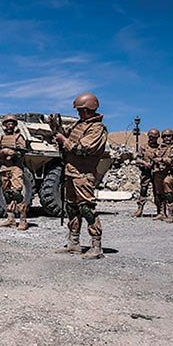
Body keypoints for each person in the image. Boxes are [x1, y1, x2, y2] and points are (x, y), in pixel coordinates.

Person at [54, 92, 108, 259]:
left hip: (83, 174)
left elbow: (83, 149)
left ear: (89, 109)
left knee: (86, 208)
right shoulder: (79, 125)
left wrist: (64, 140)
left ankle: (96, 246)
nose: (79, 113)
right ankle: (74, 242)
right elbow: (67, 135)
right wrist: (56, 128)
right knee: (72, 207)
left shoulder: (97, 129)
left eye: (81, 110)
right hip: (71, 172)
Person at [0, 114, 28, 230]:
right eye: (7, 123)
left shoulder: (19, 137)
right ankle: (11, 219)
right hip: (4, 167)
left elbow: (22, 153)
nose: (10, 125)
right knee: (7, 193)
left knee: (17, 193)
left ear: (15, 125)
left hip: (15, 168)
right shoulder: (1, 138)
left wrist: (12, 153)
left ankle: (23, 220)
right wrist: (1, 153)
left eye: (12, 124)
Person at [151, 129, 173, 223]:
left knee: (168, 194)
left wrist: (162, 160)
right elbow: (154, 156)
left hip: (168, 173)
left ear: (172, 137)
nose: (167, 138)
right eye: (164, 136)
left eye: (169, 136)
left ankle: (171, 214)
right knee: (159, 194)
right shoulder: (160, 147)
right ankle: (161, 213)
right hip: (158, 173)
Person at [131, 129, 160, 218]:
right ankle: (140, 209)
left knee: (157, 192)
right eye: (151, 137)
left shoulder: (160, 148)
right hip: (146, 172)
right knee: (143, 190)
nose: (152, 139)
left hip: (156, 172)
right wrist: (144, 163)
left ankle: (160, 211)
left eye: (154, 137)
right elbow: (137, 158)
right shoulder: (143, 147)